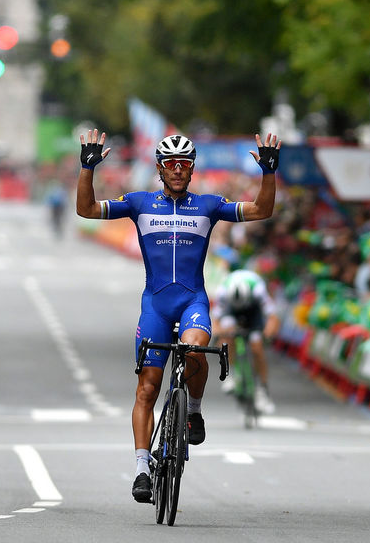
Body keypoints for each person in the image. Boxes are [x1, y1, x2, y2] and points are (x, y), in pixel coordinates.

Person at [76, 129, 280, 503]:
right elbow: (86, 210)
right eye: (171, 164)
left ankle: (195, 412)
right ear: (159, 168)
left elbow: (260, 210)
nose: (178, 169)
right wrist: (86, 169)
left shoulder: (208, 205)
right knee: (148, 388)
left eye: (184, 164)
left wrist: (269, 173)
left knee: (194, 350)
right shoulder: (138, 203)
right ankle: (140, 469)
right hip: (155, 303)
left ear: (192, 169)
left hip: (193, 302)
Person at [212, 269, 281, 414]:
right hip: (231, 311)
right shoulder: (223, 292)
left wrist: (267, 334)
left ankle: (262, 389)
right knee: (228, 336)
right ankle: (230, 375)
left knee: (257, 347)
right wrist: (220, 335)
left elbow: (272, 317)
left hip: (253, 311)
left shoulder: (258, 290)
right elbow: (216, 321)